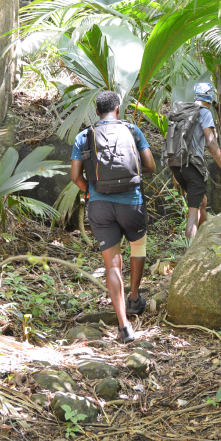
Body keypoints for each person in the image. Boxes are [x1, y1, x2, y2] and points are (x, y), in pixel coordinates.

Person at [69, 90, 156, 343]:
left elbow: (75, 177)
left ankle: (124, 325)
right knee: (137, 246)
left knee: (112, 264)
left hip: (100, 206)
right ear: (118, 109)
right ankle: (134, 298)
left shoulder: (84, 137)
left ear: (97, 112)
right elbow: (150, 166)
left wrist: (91, 191)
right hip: (132, 202)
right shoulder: (132, 131)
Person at [166, 82, 221, 241]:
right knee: (194, 211)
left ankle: (207, 237)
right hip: (192, 166)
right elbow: (211, 143)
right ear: (210, 100)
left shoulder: (181, 111)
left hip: (176, 165)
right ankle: (190, 252)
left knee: (201, 200)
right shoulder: (204, 113)